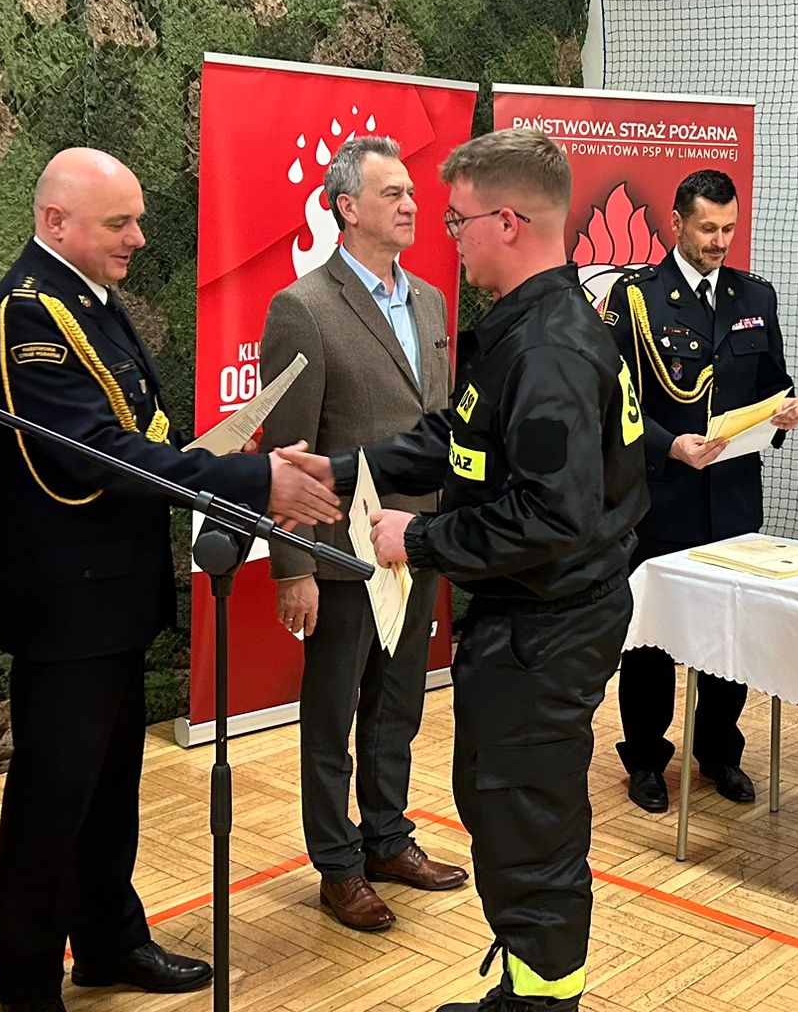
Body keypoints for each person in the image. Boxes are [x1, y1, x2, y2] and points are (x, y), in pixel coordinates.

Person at [0, 148, 342, 1012]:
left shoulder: (89, 302)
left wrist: (225, 457)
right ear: (55, 221)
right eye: (119, 222)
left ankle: (107, 942)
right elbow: (85, 456)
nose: (139, 236)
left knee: (110, 790)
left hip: (116, 589)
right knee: (54, 799)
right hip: (67, 600)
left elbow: (140, 434)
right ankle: (25, 979)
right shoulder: (24, 314)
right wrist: (250, 480)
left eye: (136, 219)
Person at [284, 127, 648, 1011]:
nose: (446, 233)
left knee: (529, 825)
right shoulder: (524, 326)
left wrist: (419, 540)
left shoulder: (551, 347)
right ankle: (526, 987)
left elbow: (553, 515)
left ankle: (542, 1001)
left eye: (458, 219)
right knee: (504, 811)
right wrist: (341, 470)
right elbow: (457, 438)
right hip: (526, 624)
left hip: (547, 627)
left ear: (509, 222)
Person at [258, 136, 468, 933]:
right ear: (347, 208)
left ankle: (387, 840)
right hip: (340, 554)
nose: (412, 205)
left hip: (417, 545)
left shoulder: (432, 303)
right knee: (331, 718)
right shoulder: (303, 308)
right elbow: (289, 452)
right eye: (393, 194)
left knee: (398, 705)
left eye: (412, 192)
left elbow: (440, 426)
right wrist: (293, 568)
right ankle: (338, 866)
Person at [605, 169, 798, 813]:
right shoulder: (638, 299)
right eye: (708, 228)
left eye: (729, 229)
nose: (719, 241)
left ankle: (719, 751)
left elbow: (772, 381)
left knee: (729, 633)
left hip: (734, 500)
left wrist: (782, 414)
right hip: (664, 499)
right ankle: (645, 759)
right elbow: (613, 401)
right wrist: (669, 446)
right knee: (653, 639)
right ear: (677, 224)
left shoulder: (755, 296)